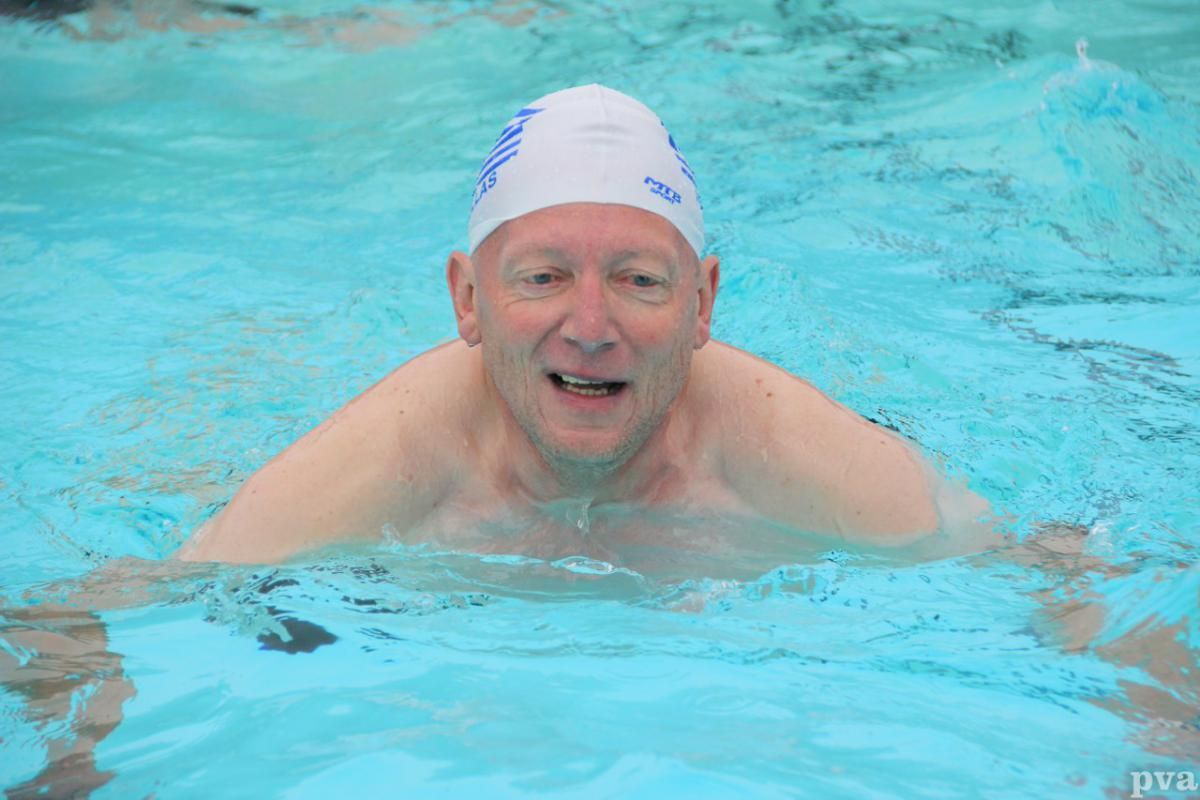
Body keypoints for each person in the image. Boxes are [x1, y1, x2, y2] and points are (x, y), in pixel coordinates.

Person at [180, 84, 992, 567]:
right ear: (468, 299)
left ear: (702, 303)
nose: (592, 327)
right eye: (544, 278)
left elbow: (1055, 574)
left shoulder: (821, 469)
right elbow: (104, 611)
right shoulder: (361, 478)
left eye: (639, 280)